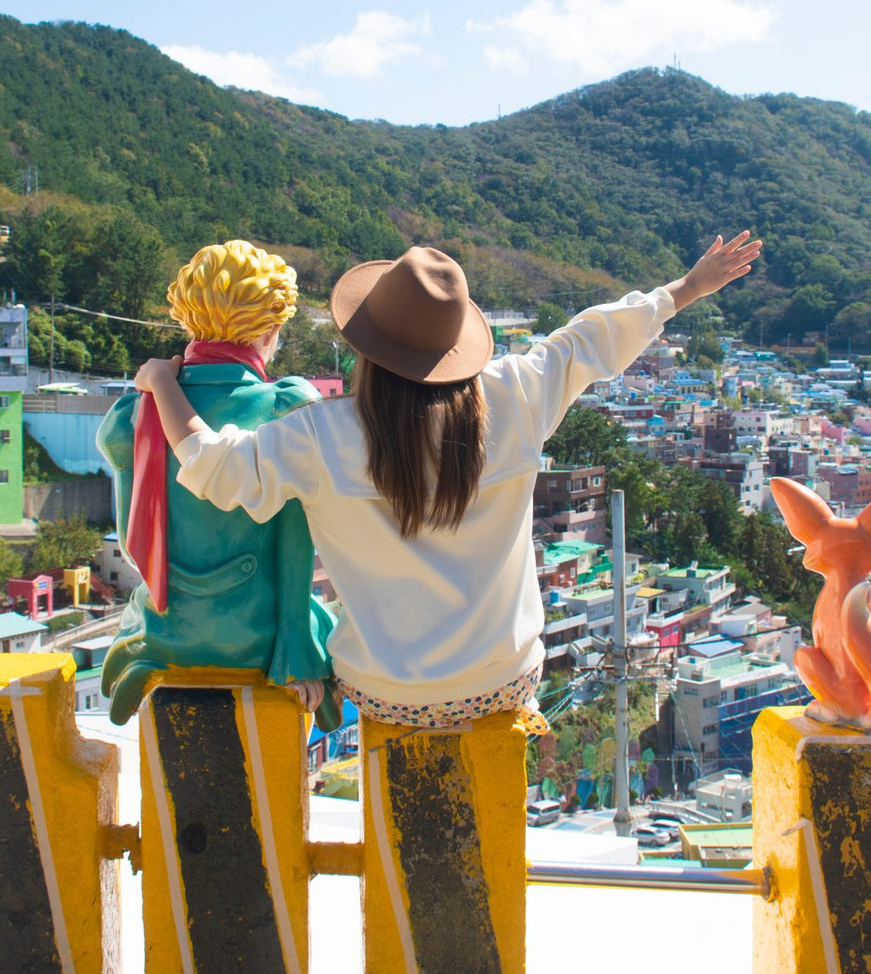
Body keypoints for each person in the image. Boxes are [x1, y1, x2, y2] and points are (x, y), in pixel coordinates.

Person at [131, 231, 763, 730]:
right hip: (501, 680)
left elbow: (213, 468)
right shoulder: (513, 396)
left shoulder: (321, 435)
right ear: (457, 341)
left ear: (365, 348)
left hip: (384, 693)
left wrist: (161, 381)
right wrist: (686, 288)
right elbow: (588, 339)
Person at [96, 240, 339, 727]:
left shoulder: (132, 416)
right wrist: (296, 653)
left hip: (165, 635)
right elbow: (295, 547)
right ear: (271, 328)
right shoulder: (286, 408)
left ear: (189, 320)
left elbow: (132, 542)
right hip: (259, 637)